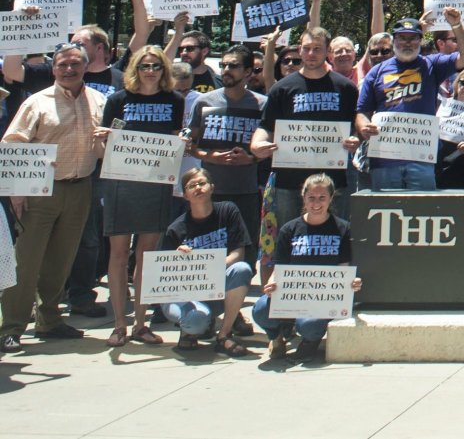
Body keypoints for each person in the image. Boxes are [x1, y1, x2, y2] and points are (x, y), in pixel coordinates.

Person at [0, 44, 108, 353]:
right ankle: (11, 328)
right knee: (26, 262)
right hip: (39, 191)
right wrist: (17, 192)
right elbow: (12, 145)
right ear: (53, 68)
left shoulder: (99, 101)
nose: (69, 69)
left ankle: (49, 319)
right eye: (63, 65)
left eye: (75, 64)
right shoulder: (37, 102)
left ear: (86, 67)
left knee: (61, 261)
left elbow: (104, 149)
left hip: (81, 187)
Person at [98, 46, 187, 347]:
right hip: (121, 184)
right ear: (135, 69)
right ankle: (119, 324)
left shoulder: (174, 100)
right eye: (144, 66)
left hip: (156, 184)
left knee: (147, 256)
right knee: (119, 254)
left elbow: (175, 139)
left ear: (164, 70)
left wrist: (182, 141)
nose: (150, 71)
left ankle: (140, 323)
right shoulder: (118, 100)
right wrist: (102, 139)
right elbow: (104, 141)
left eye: (156, 66)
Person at [249, 28, 361, 225]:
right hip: (290, 180)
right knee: (288, 235)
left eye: (317, 49)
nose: (311, 54)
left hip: (333, 179)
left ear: (327, 53)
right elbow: (266, 126)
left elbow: (356, 127)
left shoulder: (346, 88)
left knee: (334, 238)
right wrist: (257, 144)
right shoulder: (282, 88)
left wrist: (355, 140)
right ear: (300, 50)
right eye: (307, 48)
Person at [355, 10, 464, 191]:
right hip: (384, 159)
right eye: (402, 38)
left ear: (420, 40)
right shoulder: (377, 71)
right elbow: (362, 111)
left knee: (422, 210)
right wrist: (364, 126)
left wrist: (457, 25)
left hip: (421, 157)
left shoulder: (432, 64)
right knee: (386, 211)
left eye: (413, 38)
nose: (407, 43)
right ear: (393, 41)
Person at [252, 174, 362, 362]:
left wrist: (352, 283)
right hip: (293, 294)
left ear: (331, 198)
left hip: (323, 297)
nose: (316, 203)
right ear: (303, 197)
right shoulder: (289, 229)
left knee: (308, 324)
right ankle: (276, 337)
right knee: (260, 309)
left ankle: (309, 342)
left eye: (322, 198)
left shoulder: (343, 229)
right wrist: (271, 285)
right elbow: (280, 268)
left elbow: (344, 269)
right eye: (311, 198)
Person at [189, 45, 268, 287]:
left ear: (247, 71)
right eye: (223, 65)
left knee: (245, 251)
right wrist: (210, 157)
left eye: (233, 66)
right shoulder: (204, 101)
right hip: (211, 191)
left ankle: (236, 306)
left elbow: (271, 148)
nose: (226, 70)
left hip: (246, 190)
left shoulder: (262, 104)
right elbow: (189, 144)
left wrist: (252, 158)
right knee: (208, 249)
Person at [158, 168, 255, 356]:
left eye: (202, 183)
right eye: (191, 186)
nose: (198, 188)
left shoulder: (228, 211)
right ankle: (188, 331)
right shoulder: (175, 229)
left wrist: (211, 269)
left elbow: (238, 252)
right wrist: (177, 259)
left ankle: (224, 335)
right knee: (196, 321)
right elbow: (165, 277)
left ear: (212, 187)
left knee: (242, 269)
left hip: (216, 286)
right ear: (185, 195)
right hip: (184, 293)